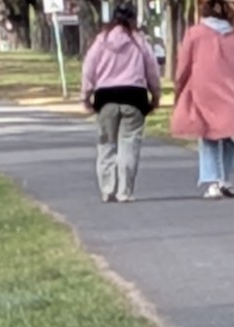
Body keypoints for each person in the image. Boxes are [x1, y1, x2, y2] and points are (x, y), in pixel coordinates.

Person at [170, 0, 234, 199]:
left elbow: (183, 68)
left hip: (205, 93)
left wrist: (179, 90)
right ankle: (225, 180)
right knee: (229, 136)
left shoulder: (194, 34)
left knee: (208, 136)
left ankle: (213, 180)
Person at [81, 4, 161, 204]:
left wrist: (86, 96)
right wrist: (156, 96)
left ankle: (107, 188)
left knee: (106, 145)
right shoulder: (140, 42)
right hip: (134, 97)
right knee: (129, 144)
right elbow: (152, 70)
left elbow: (88, 70)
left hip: (106, 97)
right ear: (134, 19)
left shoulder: (101, 41)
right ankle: (124, 191)